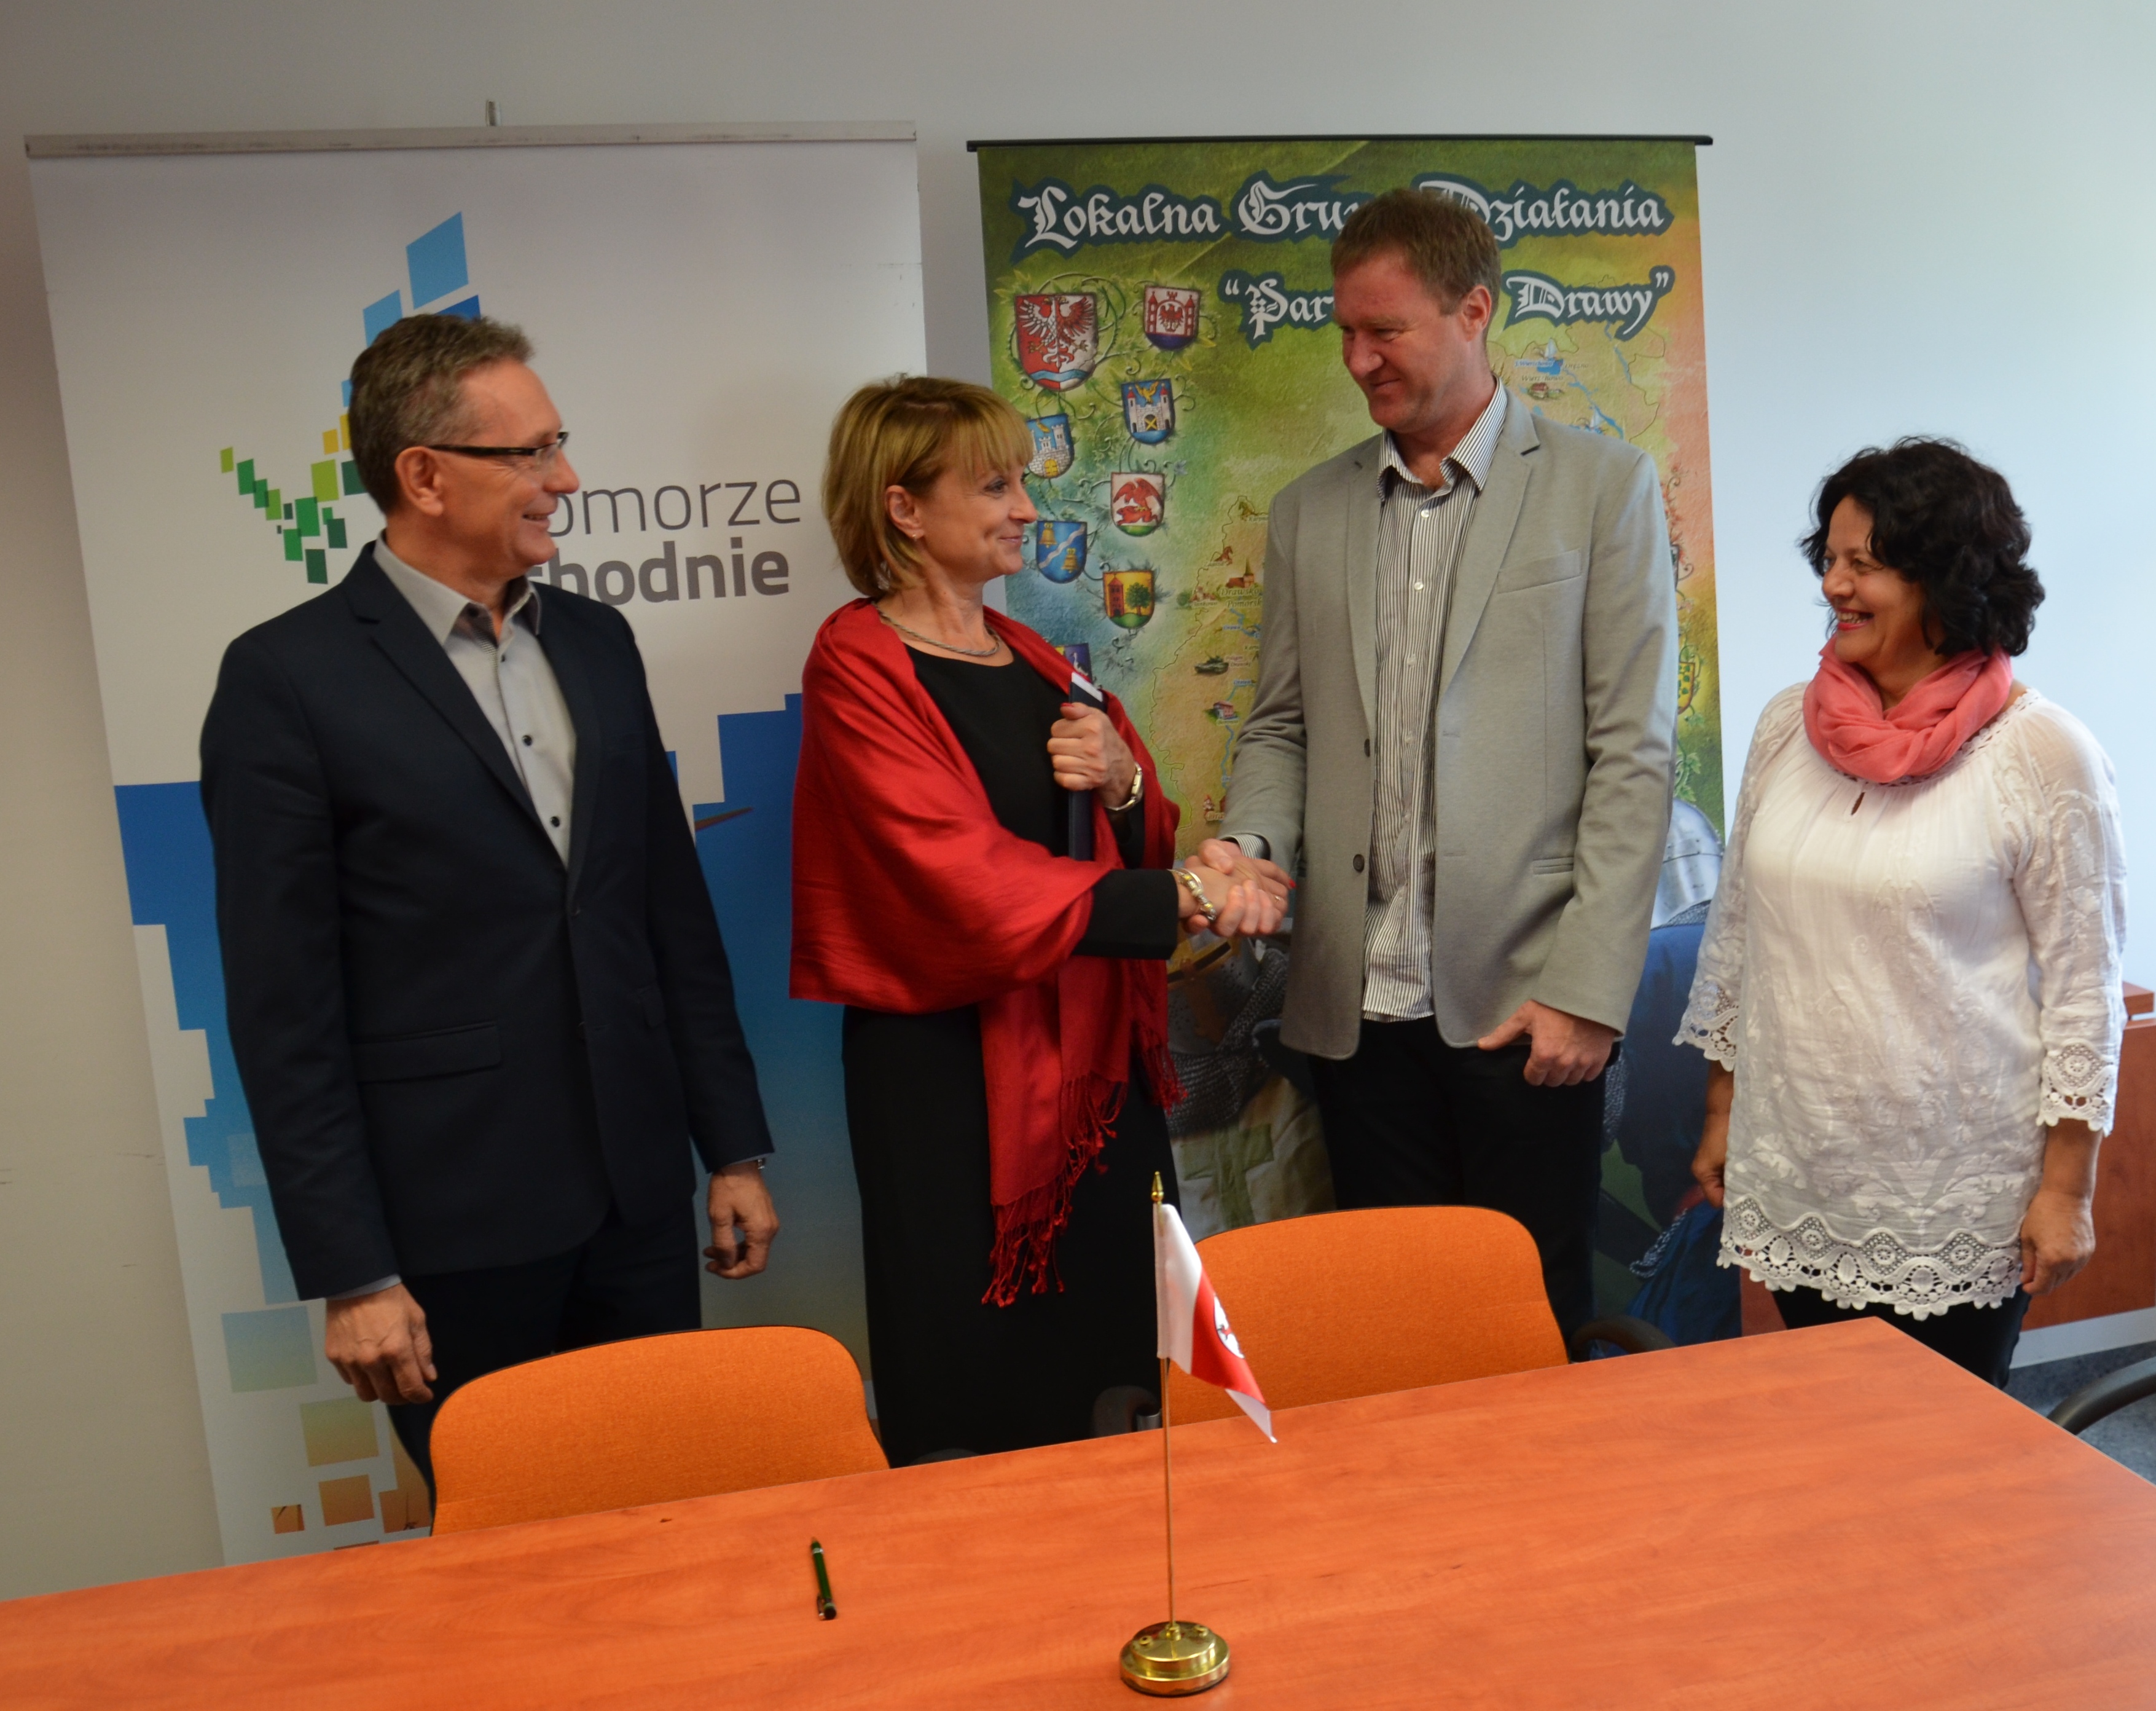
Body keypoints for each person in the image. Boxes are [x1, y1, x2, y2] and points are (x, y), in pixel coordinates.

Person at [200, 313, 778, 1487]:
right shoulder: (286, 679)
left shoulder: (599, 641)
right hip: (449, 1232)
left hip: (637, 1205)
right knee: (511, 1553)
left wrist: (732, 1149)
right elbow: (283, 1010)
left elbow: (668, 915)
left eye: (558, 444)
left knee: (672, 1519)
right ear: (423, 476)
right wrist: (353, 1273)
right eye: (531, 453)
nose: (565, 480)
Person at [1199, 187, 1678, 1337]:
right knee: (1396, 1331)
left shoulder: (1601, 489)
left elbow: (1632, 754)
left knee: (1532, 1322)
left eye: (1386, 330)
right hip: (1354, 1013)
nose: (1358, 360)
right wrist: (1249, 845)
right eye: (1346, 332)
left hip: (1525, 1008)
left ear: (1474, 311)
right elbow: (1279, 724)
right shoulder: (1308, 512)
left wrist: (1586, 995)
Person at [791, 376, 1279, 1465]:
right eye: (993, 486)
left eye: (1021, 482)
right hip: (947, 1087)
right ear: (903, 508)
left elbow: (1139, 829)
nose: (1025, 508)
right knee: (979, 1377)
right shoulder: (856, 665)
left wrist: (1120, 782)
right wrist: (1187, 897)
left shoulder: (1034, 658)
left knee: (1117, 1361)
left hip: (1094, 1083)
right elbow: (959, 881)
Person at [1681, 439, 2125, 1386]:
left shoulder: (2043, 753)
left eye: (1864, 564)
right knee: (1832, 1434)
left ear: (1945, 580)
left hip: (1952, 1194)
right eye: (1830, 560)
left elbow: (2084, 992)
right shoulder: (1786, 725)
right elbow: (1739, 933)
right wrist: (1723, 1111)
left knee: (1947, 1451)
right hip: (1799, 1165)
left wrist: (2067, 1189)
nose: (1833, 586)